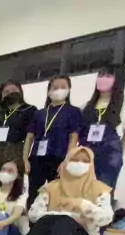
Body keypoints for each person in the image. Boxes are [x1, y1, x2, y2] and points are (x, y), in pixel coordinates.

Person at [7, 147, 112, 235]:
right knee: (51, 220)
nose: (79, 164)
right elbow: (33, 214)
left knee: (64, 222)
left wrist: (82, 204)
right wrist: (66, 215)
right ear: (66, 162)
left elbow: (106, 218)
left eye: (85, 161)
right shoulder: (52, 187)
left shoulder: (99, 189)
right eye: (74, 160)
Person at [24, 75, 81, 206]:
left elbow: (74, 138)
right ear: (49, 90)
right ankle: (32, 218)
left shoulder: (73, 111)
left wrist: (67, 160)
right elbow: (29, 137)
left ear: (69, 90)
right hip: (37, 158)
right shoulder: (39, 113)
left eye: (63, 87)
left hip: (59, 158)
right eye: (55, 87)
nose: (59, 89)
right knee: (33, 195)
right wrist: (25, 159)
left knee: (56, 195)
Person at [80, 64, 125, 191]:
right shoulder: (86, 106)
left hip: (109, 157)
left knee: (101, 193)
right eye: (101, 75)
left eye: (108, 75)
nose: (103, 78)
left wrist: (119, 154)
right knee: (82, 191)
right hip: (86, 154)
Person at [0, 79, 37, 187]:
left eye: (14, 91)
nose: (10, 94)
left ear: (20, 92)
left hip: (15, 150)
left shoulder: (29, 110)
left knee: (11, 184)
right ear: (1, 95)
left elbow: (30, 135)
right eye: (6, 92)